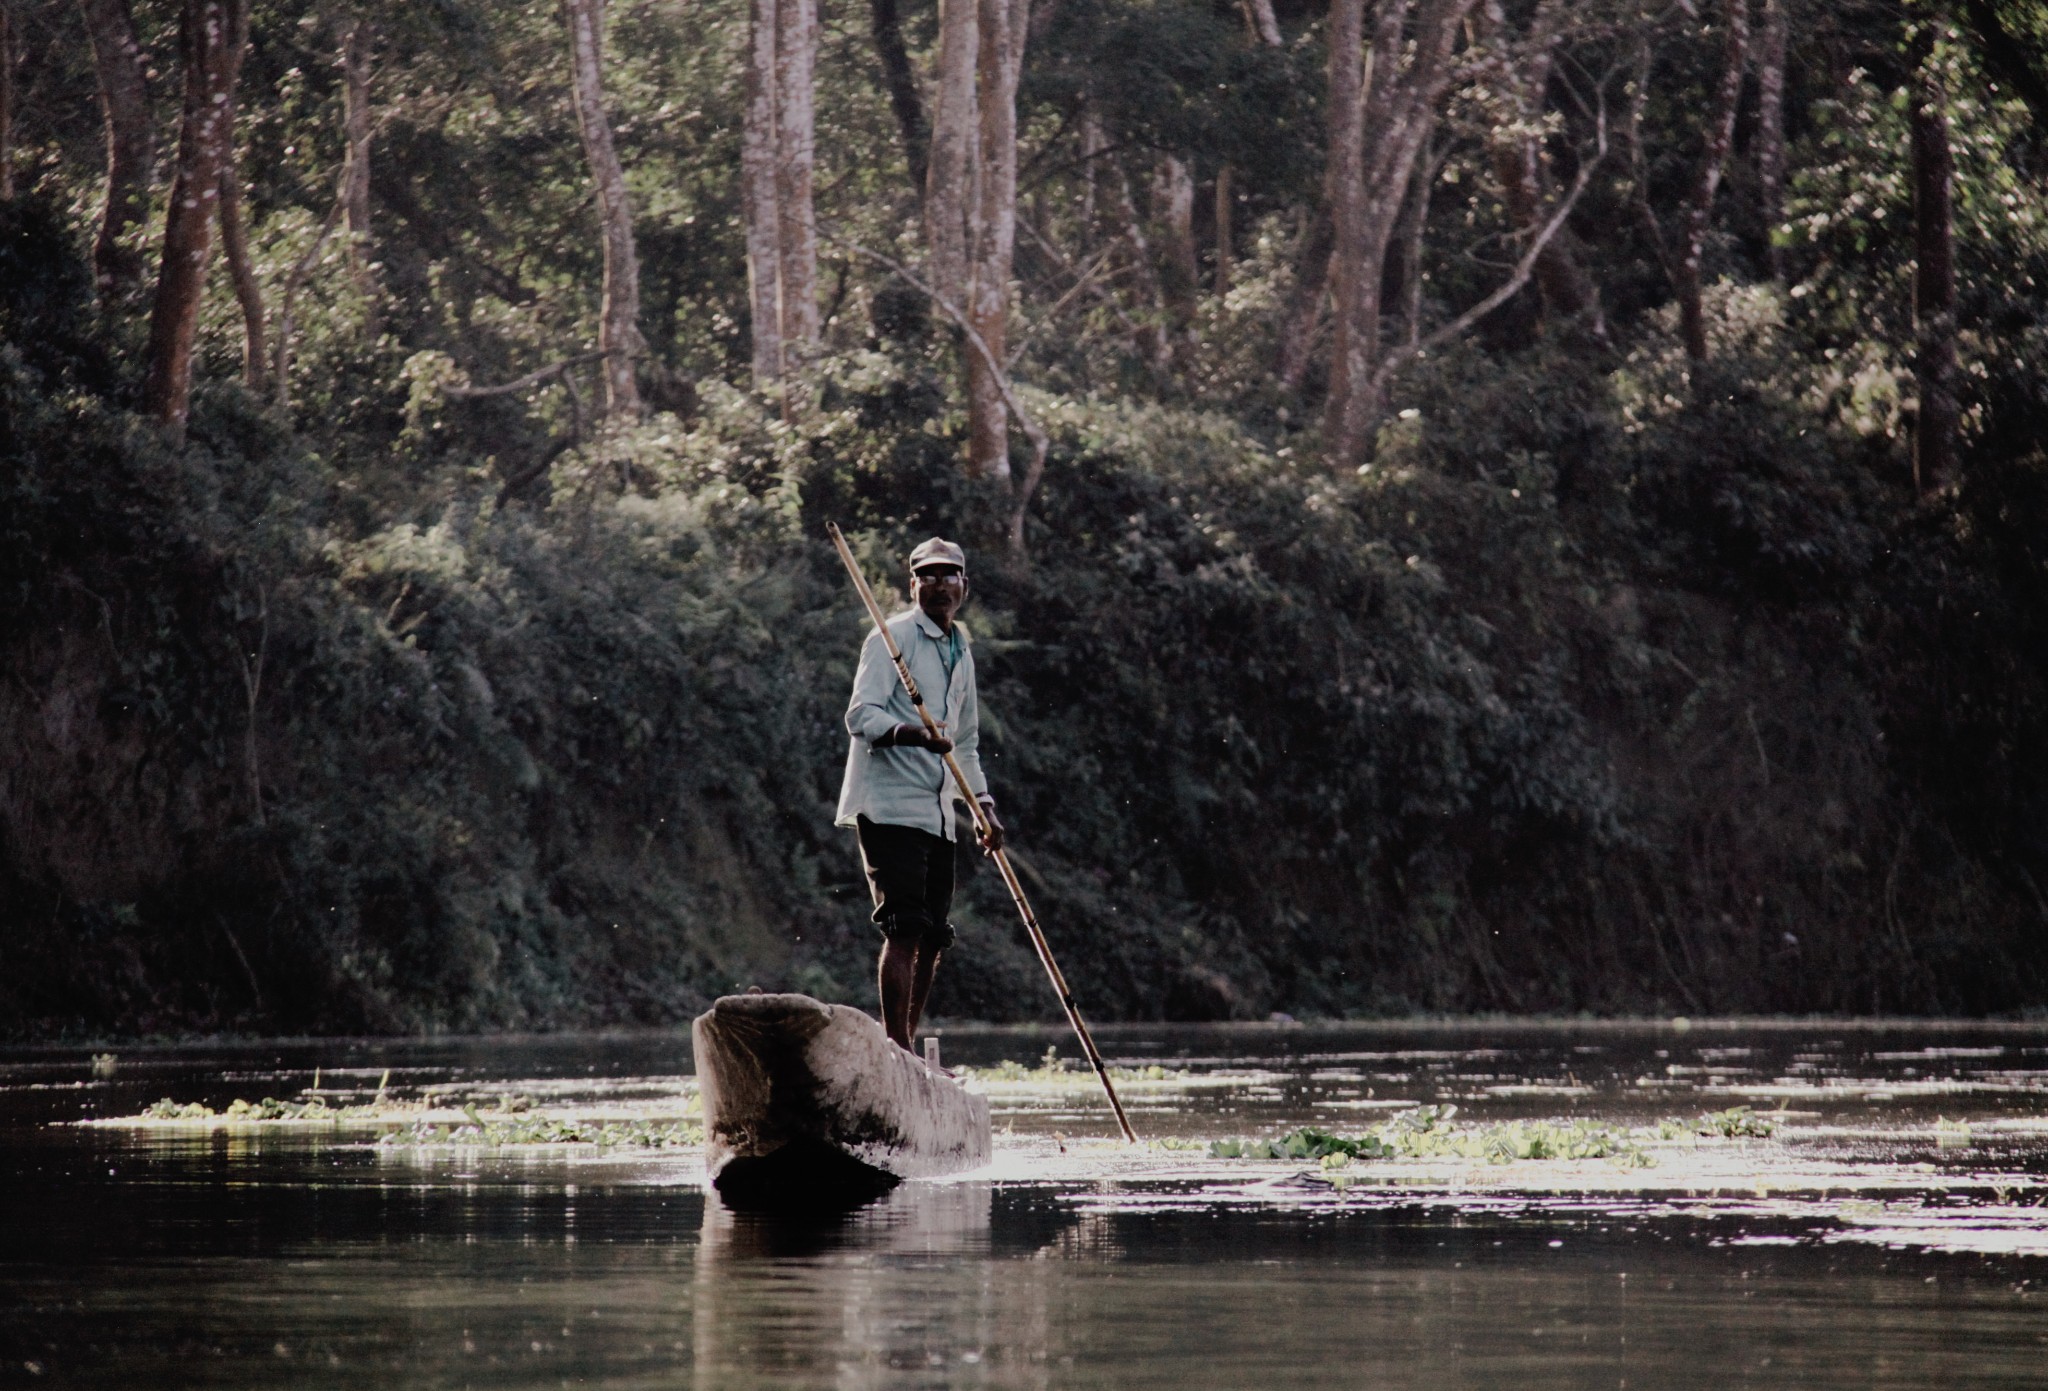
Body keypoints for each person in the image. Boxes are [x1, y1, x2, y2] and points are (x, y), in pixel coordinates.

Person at [835, 537, 1005, 1052]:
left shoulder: (961, 650)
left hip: (937, 813)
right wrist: (914, 734)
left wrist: (984, 808)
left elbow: (967, 742)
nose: (938, 584)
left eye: (948, 574)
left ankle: (907, 1045)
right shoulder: (892, 639)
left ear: (964, 586)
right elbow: (861, 716)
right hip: (889, 807)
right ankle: (898, 1051)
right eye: (926, 576)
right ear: (913, 586)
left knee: (933, 937)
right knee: (904, 928)